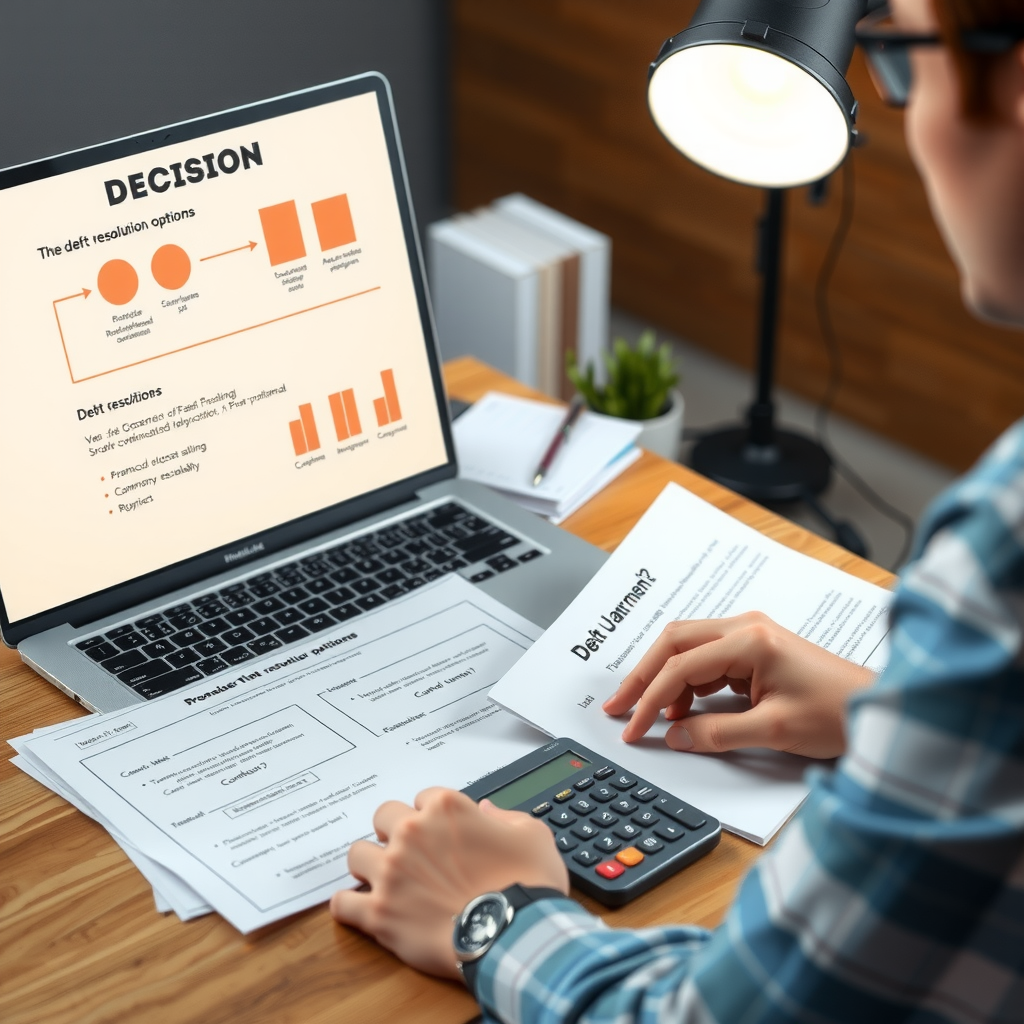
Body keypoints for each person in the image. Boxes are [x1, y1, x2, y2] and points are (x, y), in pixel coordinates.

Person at [330, 0, 1024, 1019]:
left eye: (899, 58)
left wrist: (493, 915)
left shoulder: (1001, 547)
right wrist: (903, 720)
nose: (911, 129)